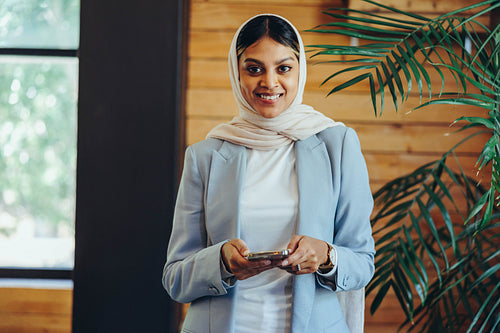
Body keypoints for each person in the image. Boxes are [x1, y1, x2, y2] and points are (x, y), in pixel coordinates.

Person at [162, 14, 375, 333]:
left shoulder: (337, 146)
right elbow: (175, 278)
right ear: (237, 73)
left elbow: (362, 264)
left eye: (283, 68)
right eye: (254, 68)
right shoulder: (204, 156)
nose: (269, 82)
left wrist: (326, 256)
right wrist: (221, 261)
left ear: (300, 71)